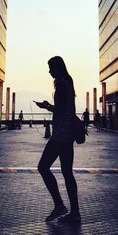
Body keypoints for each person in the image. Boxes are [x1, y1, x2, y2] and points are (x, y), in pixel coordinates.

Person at [35, 56, 81, 224]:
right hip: (67, 135)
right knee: (67, 172)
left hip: (60, 135)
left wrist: (47, 106)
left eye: (51, 68)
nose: (49, 71)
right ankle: (74, 211)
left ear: (57, 67)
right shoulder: (68, 81)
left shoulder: (61, 84)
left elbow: (60, 110)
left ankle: (59, 205)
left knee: (43, 167)